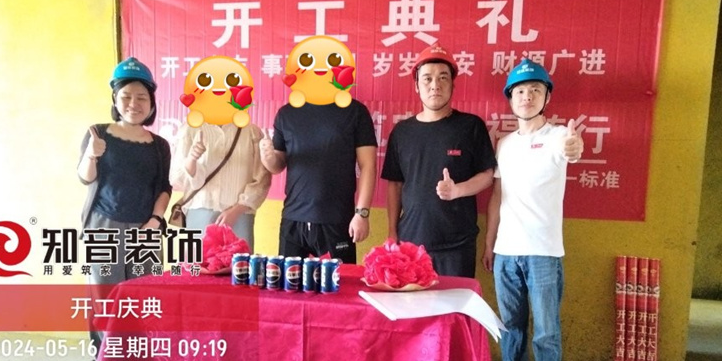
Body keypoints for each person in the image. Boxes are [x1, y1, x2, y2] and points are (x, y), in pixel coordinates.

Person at [482, 58, 584, 361]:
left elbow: (573, 149)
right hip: (506, 251)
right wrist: (490, 244)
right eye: (520, 91)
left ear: (546, 97)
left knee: (546, 331)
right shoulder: (504, 144)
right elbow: (497, 196)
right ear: (511, 98)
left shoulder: (558, 137)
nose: (527, 97)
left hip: (544, 252)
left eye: (535, 90)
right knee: (510, 326)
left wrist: (574, 146)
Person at [77, 56, 172, 354]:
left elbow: (164, 188)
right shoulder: (98, 133)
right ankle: (108, 360)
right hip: (103, 226)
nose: (134, 103)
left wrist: (155, 221)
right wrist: (92, 154)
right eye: (126, 96)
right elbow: (85, 177)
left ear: (152, 103)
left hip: (145, 228)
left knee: (145, 295)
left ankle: (140, 358)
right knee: (105, 296)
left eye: (142, 97)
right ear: (115, 100)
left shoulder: (159, 145)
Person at [381, 43, 495, 277]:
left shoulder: (471, 126)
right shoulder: (402, 131)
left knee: (453, 301)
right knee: (411, 301)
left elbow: (487, 176)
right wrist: (392, 231)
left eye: (443, 78)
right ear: (417, 85)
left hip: (457, 245)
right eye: (427, 79)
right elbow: (395, 184)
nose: (435, 85)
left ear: (453, 84)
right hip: (411, 242)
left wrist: (457, 190)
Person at [259, 90, 377, 264]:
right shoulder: (286, 113)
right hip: (293, 219)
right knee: (288, 280)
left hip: (336, 219)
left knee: (340, 280)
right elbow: (277, 166)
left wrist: (362, 214)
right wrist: (267, 157)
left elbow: (368, 166)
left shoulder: (355, 111)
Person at [170, 122, 271, 251]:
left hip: (240, 215)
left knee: (239, 262)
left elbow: (262, 178)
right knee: (197, 261)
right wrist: (191, 160)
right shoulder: (189, 129)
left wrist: (237, 210)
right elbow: (177, 177)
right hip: (200, 210)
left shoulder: (251, 131)